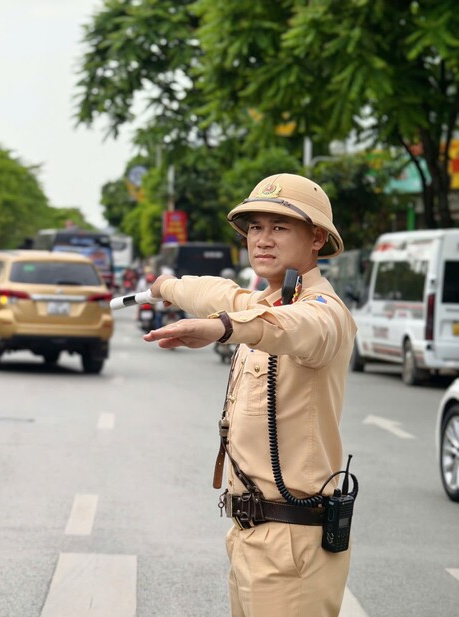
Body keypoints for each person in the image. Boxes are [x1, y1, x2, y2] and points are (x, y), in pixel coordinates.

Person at [144, 173, 357, 616]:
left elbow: (292, 328)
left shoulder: (325, 312)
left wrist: (221, 328)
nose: (262, 239)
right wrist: (166, 287)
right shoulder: (267, 301)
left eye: (279, 227)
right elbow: (220, 293)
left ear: (316, 238)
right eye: (255, 227)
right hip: (248, 533)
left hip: (293, 540)